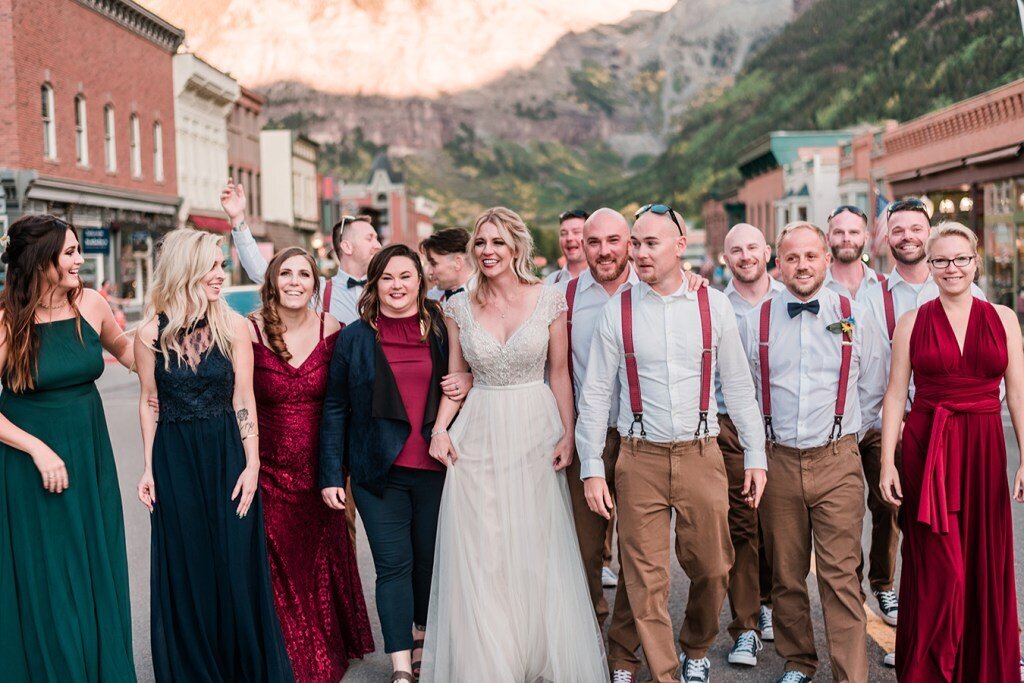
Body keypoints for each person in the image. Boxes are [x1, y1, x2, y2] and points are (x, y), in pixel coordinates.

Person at [577, 205, 767, 683]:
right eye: (635, 244)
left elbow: (740, 387)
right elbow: (597, 393)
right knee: (644, 577)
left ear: (679, 247)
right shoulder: (616, 309)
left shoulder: (713, 304)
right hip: (638, 456)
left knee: (714, 566)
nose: (638, 253)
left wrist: (756, 455)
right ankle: (664, 672)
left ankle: (696, 646)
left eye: (649, 244)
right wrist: (592, 467)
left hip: (701, 452)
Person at [422, 207, 607, 681]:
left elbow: (561, 373)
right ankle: (492, 661)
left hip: (535, 429)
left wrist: (569, 433)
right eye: (480, 243)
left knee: (536, 545)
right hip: (479, 431)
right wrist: (440, 429)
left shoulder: (549, 300)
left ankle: (538, 654)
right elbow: (458, 375)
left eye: (497, 243)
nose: (487, 251)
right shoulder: (458, 306)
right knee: (485, 551)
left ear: (517, 248)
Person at [135, 228, 293, 682]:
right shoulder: (150, 333)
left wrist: (253, 463)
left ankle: (243, 668)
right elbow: (149, 401)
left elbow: (244, 398)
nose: (221, 274)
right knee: (189, 565)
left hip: (228, 453)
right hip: (174, 457)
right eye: (213, 265)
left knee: (235, 562)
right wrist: (147, 466)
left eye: (222, 264)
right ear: (188, 269)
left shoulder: (234, 326)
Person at [740, 221, 887, 683]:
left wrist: (845, 436)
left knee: (841, 576)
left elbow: (874, 386)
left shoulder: (856, 314)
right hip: (777, 458)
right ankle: (798, 661)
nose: (801, 265)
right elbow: (743, 393)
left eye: (810, 256)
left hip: (838, 458)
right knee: (785, 573)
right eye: (791, 258)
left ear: (827, 259)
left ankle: (851, 674)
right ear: (777, 264)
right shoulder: (755, 321)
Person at [879, 222, 1023, 682]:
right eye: (940, 260)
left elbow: (1018, 393)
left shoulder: (1003, 318)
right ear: (930, 266)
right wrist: (887, 462)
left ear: (975, 261)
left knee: (983, 563)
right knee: (942, 569)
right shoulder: (911, 323)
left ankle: (980, 669)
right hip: (929, 450)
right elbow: (895, 394)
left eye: (960, 258)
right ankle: (930, 670)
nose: (951, 268)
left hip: (984, 449)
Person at [320, 244, 466, 683]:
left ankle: (422, 637)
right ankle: (401, 663)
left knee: (428, 564)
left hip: (437, 470)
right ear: (374, 283)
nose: (397, 286)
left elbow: (471, 373)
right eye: (387, 277)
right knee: (392, 565)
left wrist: (468, 377)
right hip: (377, 474)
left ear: (421, 281)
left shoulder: (443, 326)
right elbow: (334, 408)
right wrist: (331, 472)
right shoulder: (355, 337)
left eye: (406, 276)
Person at [0, 215, 137, 681]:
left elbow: (132, 356)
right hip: (29, 465)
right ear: (42, 262)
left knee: (94, 562)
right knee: (52, 575)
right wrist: (36, 449)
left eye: (80, 250)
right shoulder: (7, 320)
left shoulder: (93, 304)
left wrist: (170, 323)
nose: (81, 260)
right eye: (71, 252)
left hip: (89, 453)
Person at [224, 179, 378, 542]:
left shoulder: (386, 288)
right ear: (347, 245)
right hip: (316, 435)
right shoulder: (318, 292)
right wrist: (239, 222)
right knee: (342, 526)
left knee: (354, 530)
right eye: (371, 236)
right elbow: (267, 273)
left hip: (360, 427)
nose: (378, 243)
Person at [248, 247, 374, 681]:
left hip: (321, 469)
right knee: (278, 562)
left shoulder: (333, 328)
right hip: (266, 469)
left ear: (316, 285)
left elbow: (347, 401)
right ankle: (288, 650)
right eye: (286, 273)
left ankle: (327, 640)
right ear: (272, 281)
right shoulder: (247, 330)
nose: (295, 281)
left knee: (321, 558)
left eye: (304, 274)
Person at [555, 208, 643, 681]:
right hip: (585, 437)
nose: (604, 250)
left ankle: (623, 653)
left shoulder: (656, 290)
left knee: (636, 551)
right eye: (594, 242)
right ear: (579, 246)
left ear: (630, 243)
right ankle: (590, 635)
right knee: (585, 552)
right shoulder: (562, 296)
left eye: (614, 240)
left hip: (639, 439)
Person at [822, 204, 900, 626]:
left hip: (875, 420)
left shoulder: (885, 289)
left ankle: (884, 586)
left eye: (855, 231)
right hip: (833, 429)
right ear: (828, 236)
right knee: (843, 516)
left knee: (887, 506)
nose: (847, 238)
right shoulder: (813, 287)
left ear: (868, 238)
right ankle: (849, 591)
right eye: (839, 232)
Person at [718, 222, 785, 667]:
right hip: (732, 431)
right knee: (742, 528)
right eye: (736, 250)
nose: (745, 256)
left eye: (752, 248)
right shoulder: (712, 305)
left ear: (767, 251)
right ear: (726, 258)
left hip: (785, 430)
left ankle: (769, 603)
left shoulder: (792, 299)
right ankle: (744, 627)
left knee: (780, 532)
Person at [420, 227, 472, 302]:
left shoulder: (486, 297)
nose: (429, 272)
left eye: (434, 263)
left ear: (458, 263)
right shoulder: (432, 298)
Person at [545, 208, 589, 284]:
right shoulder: (549, 282)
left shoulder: (604, 279)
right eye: (563, 233)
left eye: (576, 232)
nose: (569, 238)